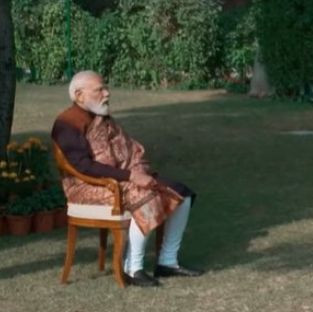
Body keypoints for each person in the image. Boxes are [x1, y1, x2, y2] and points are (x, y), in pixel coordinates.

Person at [51, 71, 203, 286]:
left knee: (181, 192)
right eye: (100, 89)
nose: (107, 93)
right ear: (79, 95)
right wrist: (130, 176)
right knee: (146, 196)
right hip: (86, 185)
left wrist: (138, 171)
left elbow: (129, 148)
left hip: (119, 178)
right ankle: (133, 268)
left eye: (106, 88)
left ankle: (167, 262)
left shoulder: (102, 117)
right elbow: (83, 166)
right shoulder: (67, 123)